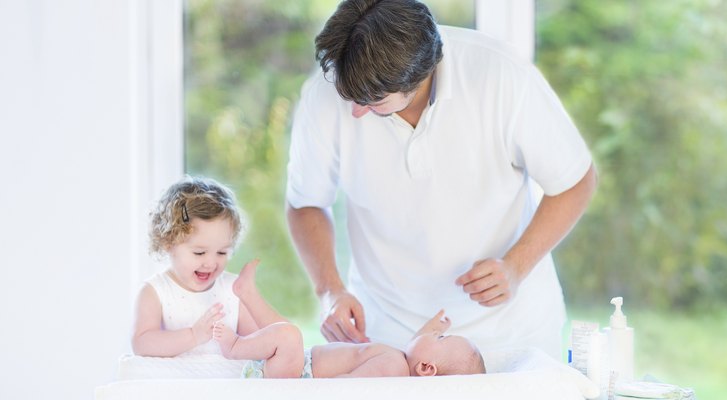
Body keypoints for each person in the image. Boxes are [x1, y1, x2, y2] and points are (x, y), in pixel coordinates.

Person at [285, 0, 598, 363]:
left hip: (509, 335)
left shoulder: (500, 75)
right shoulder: (326, 92)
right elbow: (305, 202)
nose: (354, 109)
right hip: (385, 338)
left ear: (419, 77)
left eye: (372, 101)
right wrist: (330, 291)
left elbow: (575, 180)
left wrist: (515, 267)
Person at [131, 176, 304, 378]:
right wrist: (194, 335)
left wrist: (249, 296)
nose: (211, 263)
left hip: (229, 386)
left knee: (290, 338)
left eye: (222, 252)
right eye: (199, 253)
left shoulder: (230, 289)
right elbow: (142, 343)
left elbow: (271, 340)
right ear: (169, 243)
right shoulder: (156, 291)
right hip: (178, 386)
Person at [213, 261, 485, 378]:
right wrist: (431, 329)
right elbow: (415, 345)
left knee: (289, 335)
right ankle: (247, 295)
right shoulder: (401, 363)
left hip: (300, 380)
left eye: (440, 339)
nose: (431, 335)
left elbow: (350, 387)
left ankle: (234, 347)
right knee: (285, 331)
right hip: (301, 366)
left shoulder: (395, 368)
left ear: (426, 368)